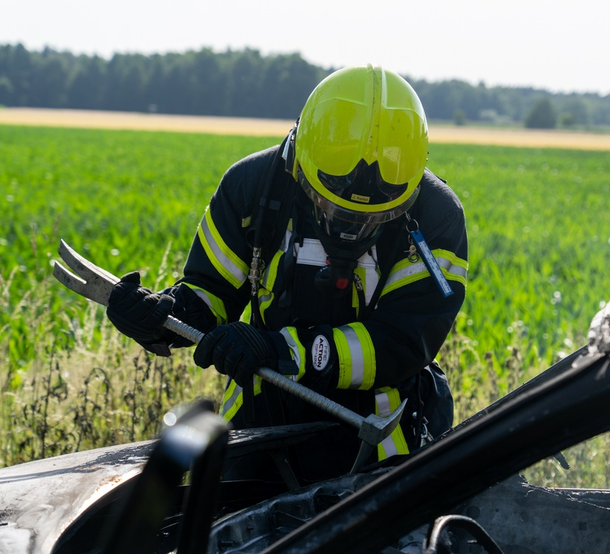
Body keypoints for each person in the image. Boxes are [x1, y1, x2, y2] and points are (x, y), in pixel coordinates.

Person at [106, 64, 468, 481]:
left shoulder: (437, 215)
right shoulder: (252, 188)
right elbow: (210, 292)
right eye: (330, 205)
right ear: (299, 164)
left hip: (381, 435)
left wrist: (285, 350)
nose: (350, 225)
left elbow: (403, 342)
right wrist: (163, 316)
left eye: (377, 217)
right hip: (260, 422)